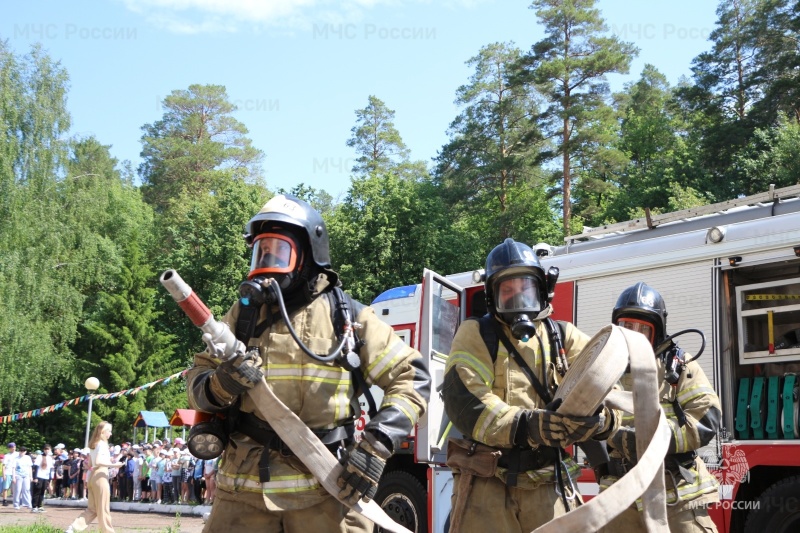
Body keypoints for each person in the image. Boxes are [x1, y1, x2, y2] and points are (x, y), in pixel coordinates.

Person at [186, 194, 430, 532]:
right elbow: (197, 382)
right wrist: (219, 385)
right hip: (243, 495)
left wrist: (377, 443)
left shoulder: (348, 316)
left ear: (308, 257)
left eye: (278, 252)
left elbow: (412, 377)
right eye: (261, 252)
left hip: (327, 491)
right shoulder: (242, 315)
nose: (267, 263)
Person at [442, 238, 617, 532]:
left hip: (550, 484)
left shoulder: (564, 337)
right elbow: (467, 401)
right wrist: (530, 425)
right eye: (506, 290)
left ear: (542, 290)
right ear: (491, 295)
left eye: (525, 288)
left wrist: (599, 420)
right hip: (488, 486)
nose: (517, 297)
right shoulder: (475, 334)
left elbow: (608, 387)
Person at [598, 282, 721, 533]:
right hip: (620, 496)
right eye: (626, 326)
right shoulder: (602, 369)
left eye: (642, 329)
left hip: (678, 495)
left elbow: (707, 417)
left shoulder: (679, 366)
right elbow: (586, 420)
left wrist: (652, 441)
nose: (633, 334)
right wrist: (612, 435)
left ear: (658, 331)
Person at [65, 421, 124, 533]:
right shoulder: (102, 444)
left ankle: (73, 528)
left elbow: (90, 464)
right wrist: (114, 465)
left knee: (92, 509)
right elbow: (98, 461)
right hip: (100, 476)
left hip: (92, 476)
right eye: (109, 431)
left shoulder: (94, 444)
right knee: (103, 508)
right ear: (103, 432)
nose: (110, 434)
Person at [32, 444, 53, 512]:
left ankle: (40, 505)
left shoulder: (50, 458)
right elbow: (36, 467)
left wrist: (50, 478)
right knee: (37, 491)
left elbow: (50, 469)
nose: (47, 451)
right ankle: (34, 506)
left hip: (46, 476)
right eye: (46, 449)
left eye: (48, 449)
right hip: (39, 476)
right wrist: (35, 477)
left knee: (42, 491)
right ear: (43, 450)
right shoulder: (40, 457)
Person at [12, 446, 33, 510]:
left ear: (25, 452)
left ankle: (28, 503)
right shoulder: (16, 459)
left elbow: (30, 467)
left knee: (26, 489)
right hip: (18, 475)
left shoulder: (28, 458)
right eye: (21, 451)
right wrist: (13, 477)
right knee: (18, 490)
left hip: (26, 475)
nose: (22, 452)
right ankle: (16, 504)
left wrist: (31, 476)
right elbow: (13, 468)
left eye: (23, 451)